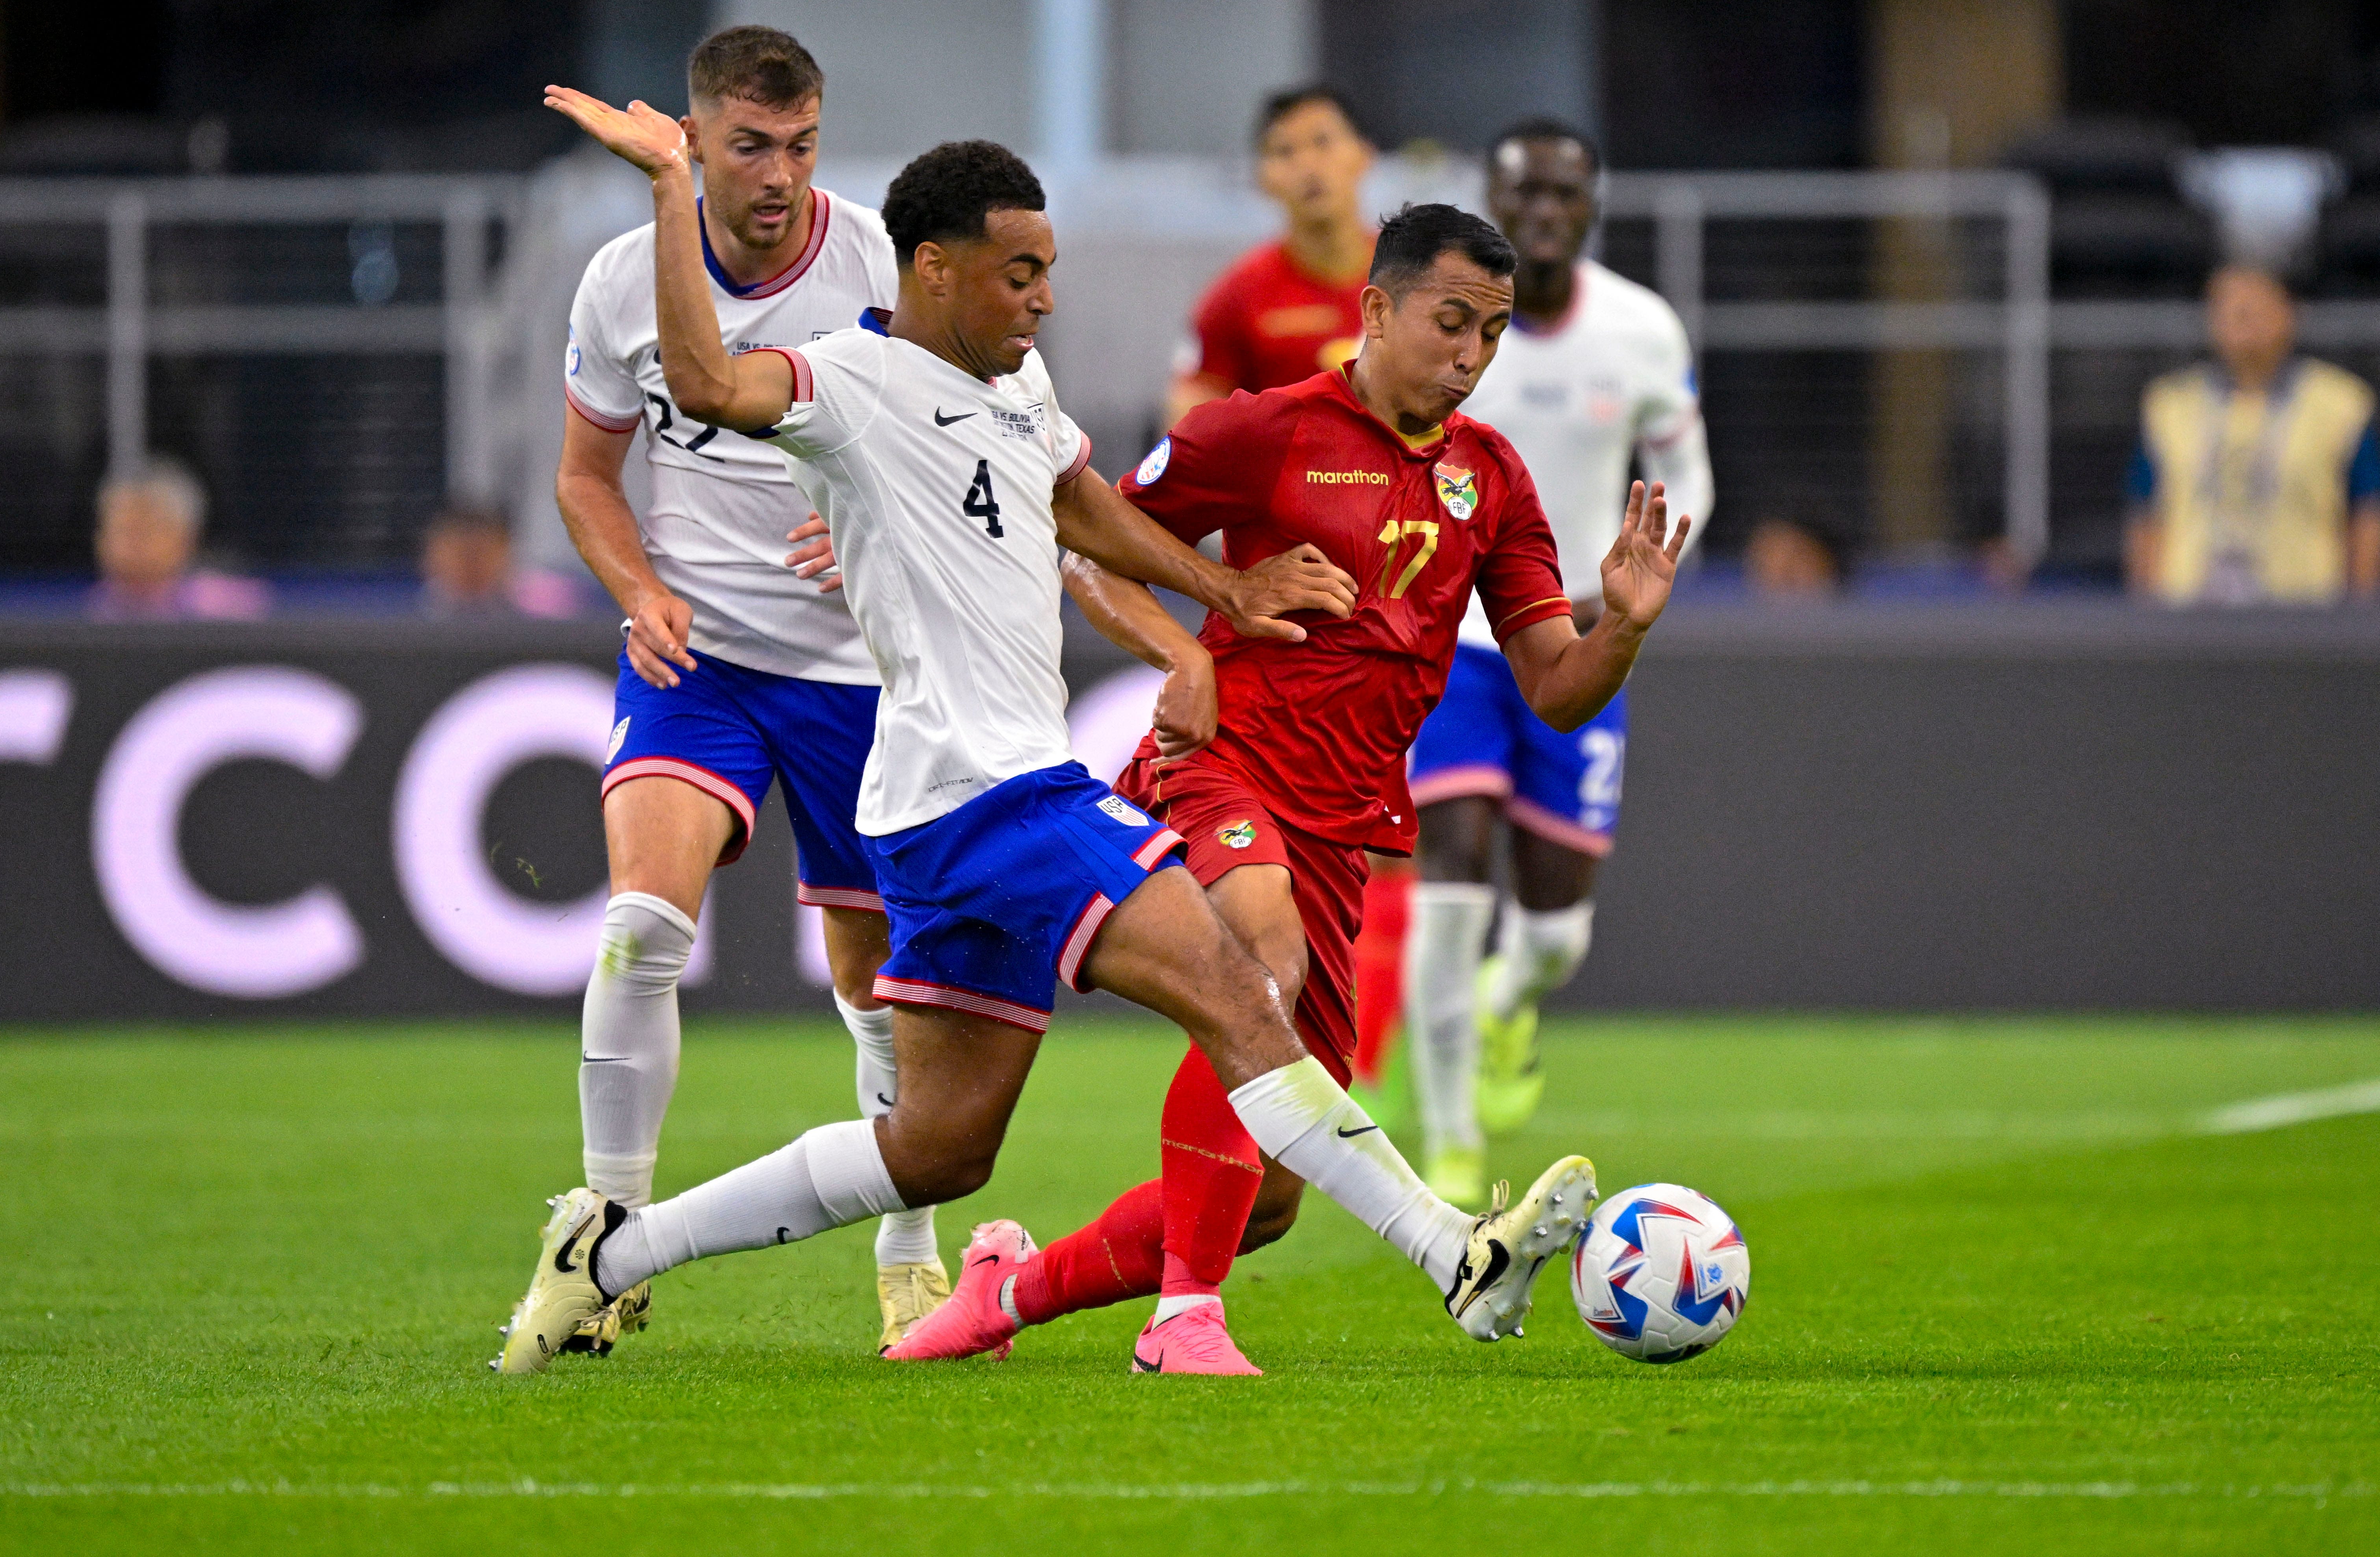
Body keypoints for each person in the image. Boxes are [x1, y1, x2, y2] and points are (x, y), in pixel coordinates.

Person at [497, 92, 1597, 1377]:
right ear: (933, 267)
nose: (1044, 302)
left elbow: (1081, 502)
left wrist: (1217, 598)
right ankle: (1450, 1254)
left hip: (946, 808)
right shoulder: (844, 384)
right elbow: (699, 379)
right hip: (993, 796)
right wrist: (669, 188)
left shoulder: (1017, 388)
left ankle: (606, 1254)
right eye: (1020, 275)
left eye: (1048, 274)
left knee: (937, 1148)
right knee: (1245, 991)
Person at [894, 202, 1696, 1375]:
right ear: (1376, 310)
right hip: (1216, 770)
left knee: (1270, 1195)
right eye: (1451, 323)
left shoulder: (1493, 478)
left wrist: (1620, 628)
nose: (1471, 355)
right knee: (1255, 973)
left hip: (1341, 824)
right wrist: (1188, 649)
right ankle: (1184, 1323)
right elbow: (1089, 549)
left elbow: (1555, 689)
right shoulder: (1263, 431)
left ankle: (1004, 1294)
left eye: (1494, 333)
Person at [550, 26, 949, 1355]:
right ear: (694, 138)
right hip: (701, 658)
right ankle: (604, 1245)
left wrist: (878, 514)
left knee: (877, 986)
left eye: (803, 143)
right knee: (639, 929)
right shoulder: (622, 285)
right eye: (750, 145)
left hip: (861, 670)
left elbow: (971, 436)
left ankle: (909, 1256)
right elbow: (586, 478)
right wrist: (634, 589)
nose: (780, 174)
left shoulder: (885, 266)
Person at [1391, 121, 1714, 1206]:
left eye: (1561, 194)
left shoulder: (1637, 328)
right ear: (1487, 197)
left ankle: (1505, 1002)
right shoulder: (1438, 328)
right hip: (1451, 643)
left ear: (1589, 205)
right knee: (1445, 882)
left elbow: (1687, 469)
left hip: (1575, 637)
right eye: (1520, 192)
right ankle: (1447, 1145)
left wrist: (1638, 570)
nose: (1540, 211)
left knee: (1553, 930)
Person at [2126, 266, 2380, 606]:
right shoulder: (2170, 405)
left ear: (2290, 313)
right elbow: (2146, 516)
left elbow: (2367, 513)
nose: (2241, 317)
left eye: (2255, 305)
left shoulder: (2340, 403)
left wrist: (2362, 618)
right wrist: (2144, 619)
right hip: (2189, 620)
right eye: (2228, 307)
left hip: (2304, 616)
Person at [1164, 87, 1378, 424]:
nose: (1308, 166)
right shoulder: (1234, 297)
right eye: (1285, 151)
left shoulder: (1416, 278)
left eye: (1323, 142)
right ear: (1263, 179)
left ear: (1365, 154)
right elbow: (1185, 432)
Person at [87, 456, 270, 621]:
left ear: (186, 537)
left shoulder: (231, 609)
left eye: (143, 532)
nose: (128, 545)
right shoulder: (89, 612)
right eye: (119, 531)